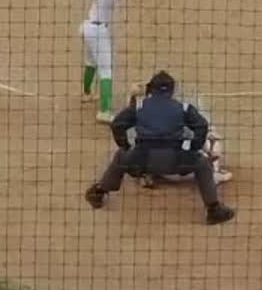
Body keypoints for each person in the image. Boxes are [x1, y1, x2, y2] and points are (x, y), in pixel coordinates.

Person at [84, 71, 235, 226]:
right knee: (202, 163)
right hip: (175, 162)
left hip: (142, 162)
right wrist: (193, 148)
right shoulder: (183, 108)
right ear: (171, 90)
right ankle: (213, 209)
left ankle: (99, 192)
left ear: (152, 89)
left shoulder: (139, 105)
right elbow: (202, 125)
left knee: (121, 155)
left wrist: (126, 147)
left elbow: (117, 124)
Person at [80, 0, 136, 121]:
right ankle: (104, 112)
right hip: (98, 31)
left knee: (91, 61)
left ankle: (87, 93)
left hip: (88, 28)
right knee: (106, 70)